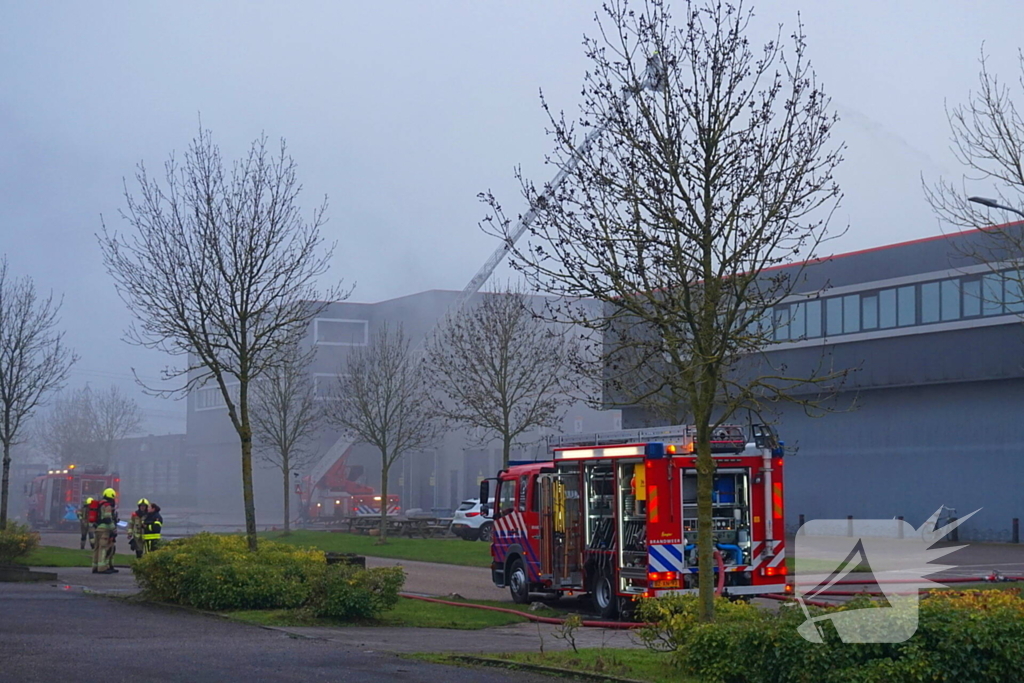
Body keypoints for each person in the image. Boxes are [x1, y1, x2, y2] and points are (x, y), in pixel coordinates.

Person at [92, 488, 119, 574]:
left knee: (96, 548)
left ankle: (95, 567)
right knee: (103, 548)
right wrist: (113, 528)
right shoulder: (107, 506)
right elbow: (108, 518)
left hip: (98, 529)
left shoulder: (100, 504)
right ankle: (102, 568)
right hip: (105, 529)